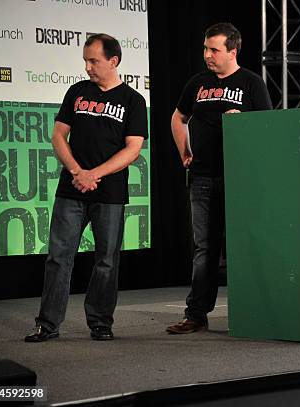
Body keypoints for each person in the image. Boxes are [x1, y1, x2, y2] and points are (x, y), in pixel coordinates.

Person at [25, 33, 148, 342]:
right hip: (71, 188)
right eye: (85, 60)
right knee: (58, 257)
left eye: (94, 60)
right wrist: (78, 172)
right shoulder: (77, 92)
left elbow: (133, 149)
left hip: (109, 193)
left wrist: (95, 174)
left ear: (113, 61)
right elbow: (58, 136)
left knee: (107, 260)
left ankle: (100, 322)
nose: (88, 67)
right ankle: (48, 324)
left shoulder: (133, 100)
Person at [166, 22, 272, 334]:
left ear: (233, 51)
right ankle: (196, 314)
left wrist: (245, 122)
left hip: (239, 178)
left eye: (214, 50)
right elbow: (178, 117)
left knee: (242, 246)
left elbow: (268, 128)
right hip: (202, 176)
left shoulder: (252, 83)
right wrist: (183, 149)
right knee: (204, 249)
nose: (207, 55)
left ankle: (252, 312)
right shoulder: (198, 83)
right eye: (205, 49)